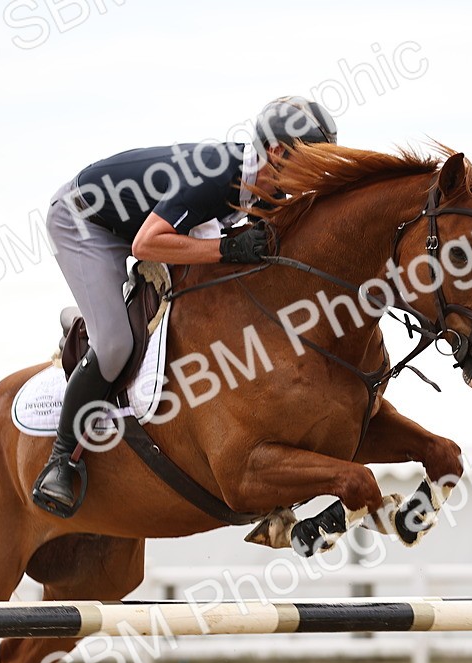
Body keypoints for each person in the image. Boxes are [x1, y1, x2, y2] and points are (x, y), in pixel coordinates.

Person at [32, 96, 339, 514]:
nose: (321, 172)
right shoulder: (215, 177)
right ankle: (60, 461)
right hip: (86, 222)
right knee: (116, 344)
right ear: (277, 152)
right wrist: (228, 249)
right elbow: (146, 243)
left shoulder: (270, 188)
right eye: (315, 159)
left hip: (139, 221)